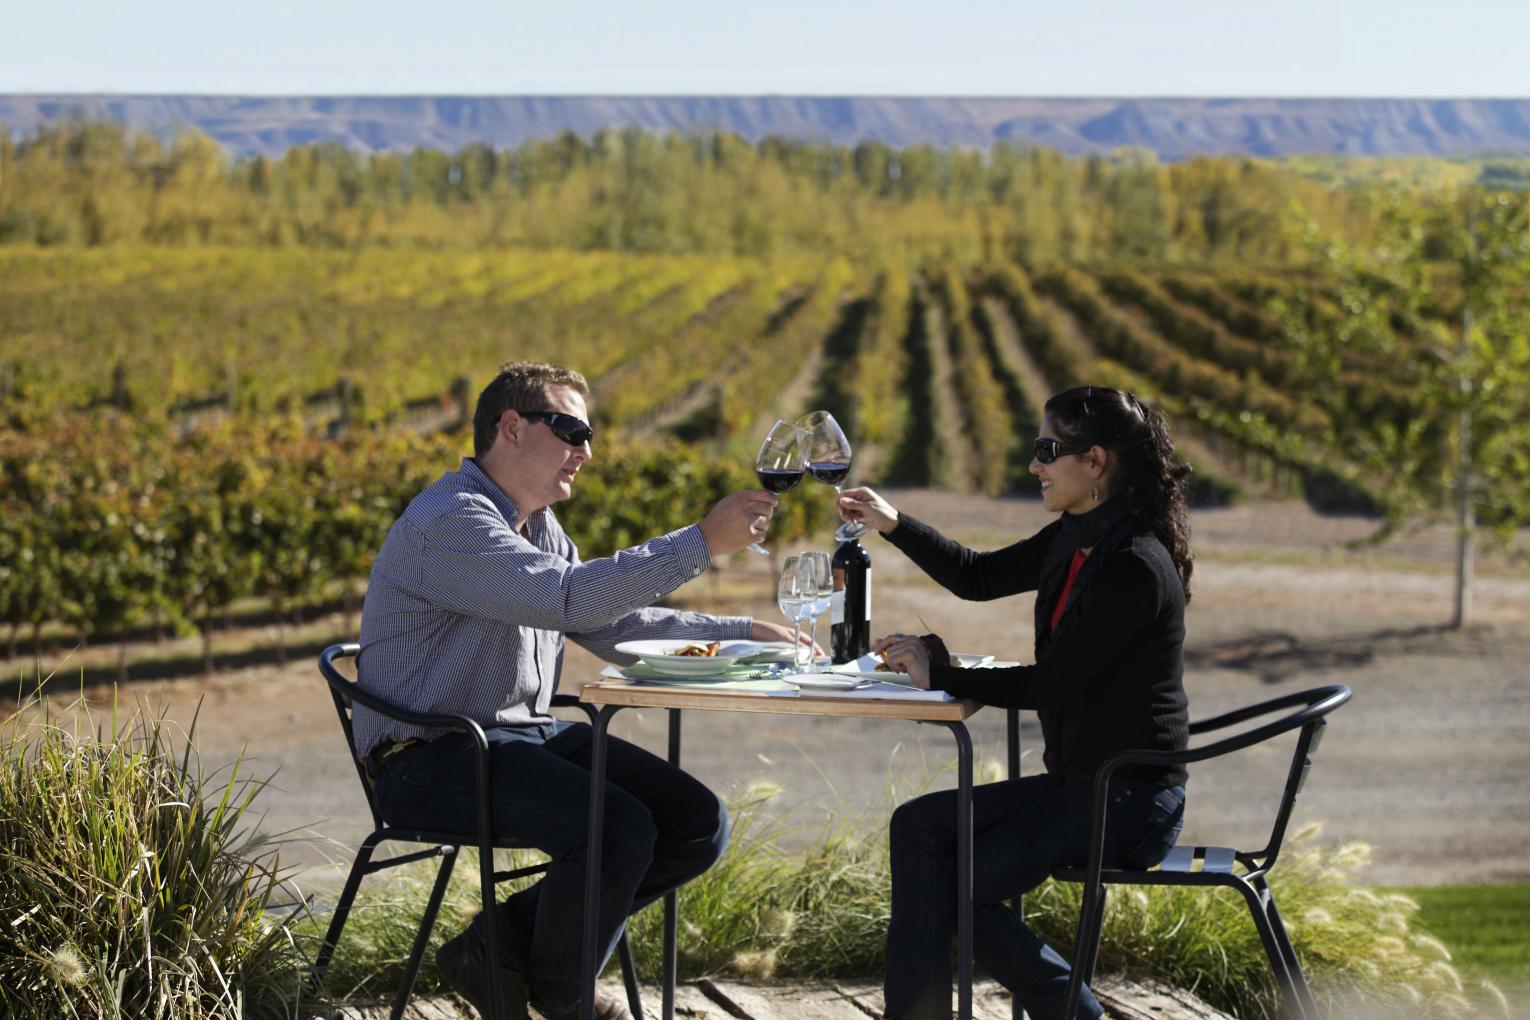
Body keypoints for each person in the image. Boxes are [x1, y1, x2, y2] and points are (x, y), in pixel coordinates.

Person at [355, 361, 803, 1020]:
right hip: (428, 759)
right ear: (511, 428)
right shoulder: (451, 519)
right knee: (614, 826)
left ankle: (498, 945)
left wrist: (740, 631)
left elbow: (610, 621)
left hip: (514, 737)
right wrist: (702, 541)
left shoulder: (535, 525)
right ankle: (565, 1001)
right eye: (570, 429)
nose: (586, 451)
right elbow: (567, 599)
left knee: (694, 822)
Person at [836, 386, 1192, 1020]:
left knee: (951, 887)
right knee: (918, 828)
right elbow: (978, 577)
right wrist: (891, 523)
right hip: (1082, 786)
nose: (1034, 466)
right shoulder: (1076, 538)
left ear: (1096, 462)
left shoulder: (1133, 563)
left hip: (1130, 801)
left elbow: (1052, 685)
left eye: (1046, 450)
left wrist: (942, 673)